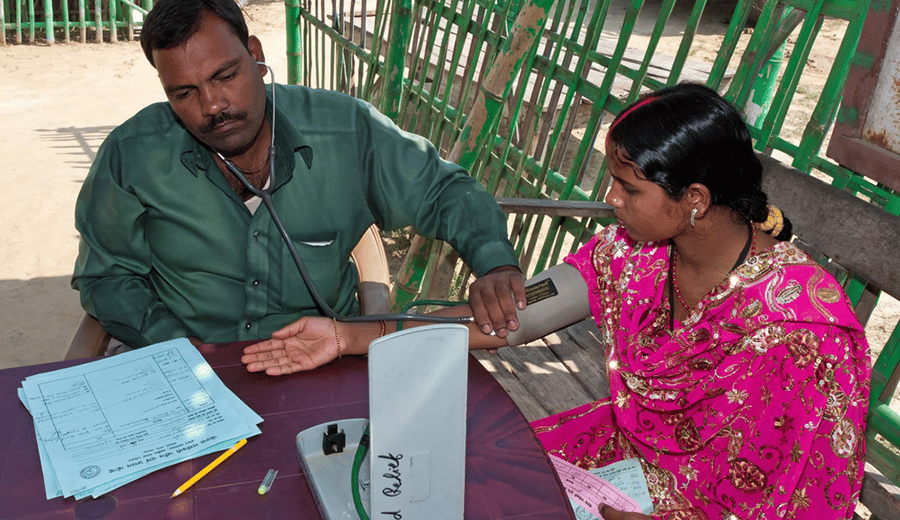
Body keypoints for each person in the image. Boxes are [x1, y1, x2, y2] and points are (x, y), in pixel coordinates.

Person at [241, 83, 871, 519]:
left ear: (696, 199)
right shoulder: (633, 252)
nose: (610, 200)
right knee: (447, 479)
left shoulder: (802, 327)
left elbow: (803, 493)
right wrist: (353, 336)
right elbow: (515, 314)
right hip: (626, 459)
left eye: (626, 187)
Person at [72, 0, 524, 349]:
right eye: (184, 93)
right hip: (187, 367)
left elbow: (445, 191)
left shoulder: (344, 131)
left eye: (225, 75)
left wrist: (495, 264)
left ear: (254, 53)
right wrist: (175, 344)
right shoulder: (133, 155)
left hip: (318, 362)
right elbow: (106, 276)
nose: (212, 106)